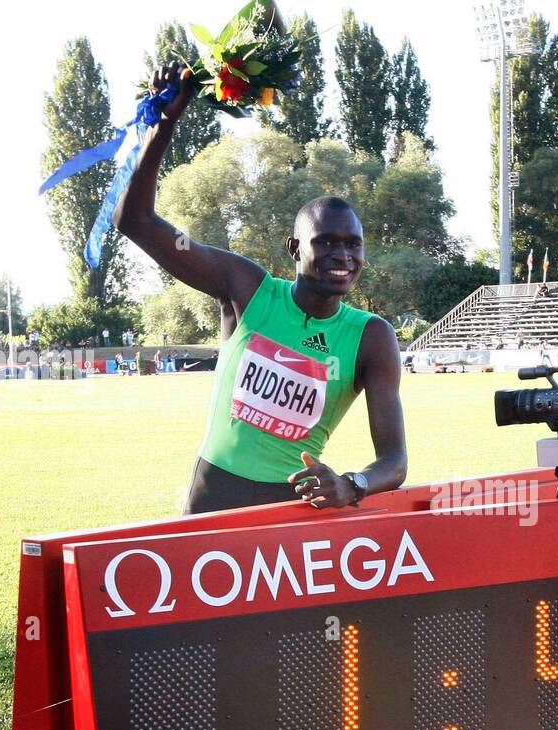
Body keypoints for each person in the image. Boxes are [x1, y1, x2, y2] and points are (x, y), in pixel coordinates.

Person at [115, 61, 407, 514]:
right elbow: (136, 221)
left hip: (292, 515)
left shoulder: (371, 337)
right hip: (211, 499)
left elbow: (395, 461)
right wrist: (166, 121)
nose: (342, 255)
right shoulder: (246, 288)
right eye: (325, 241)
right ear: (295, 248)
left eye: (353, 244)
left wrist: (353, 484)